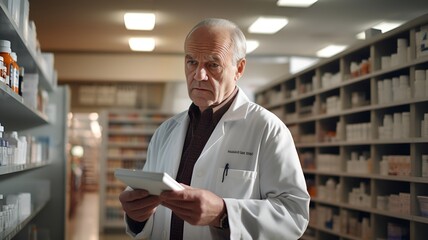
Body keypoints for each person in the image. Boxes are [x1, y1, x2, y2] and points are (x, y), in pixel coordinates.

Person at [119, 18, 310, 240]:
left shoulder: (267, 129)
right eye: (191, 62)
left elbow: (294, 215)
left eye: (212, 64)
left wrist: (223, 212)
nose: (198, 75)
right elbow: (153, 214)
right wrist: (137, 215)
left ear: (239, 68)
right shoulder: (166, 131)